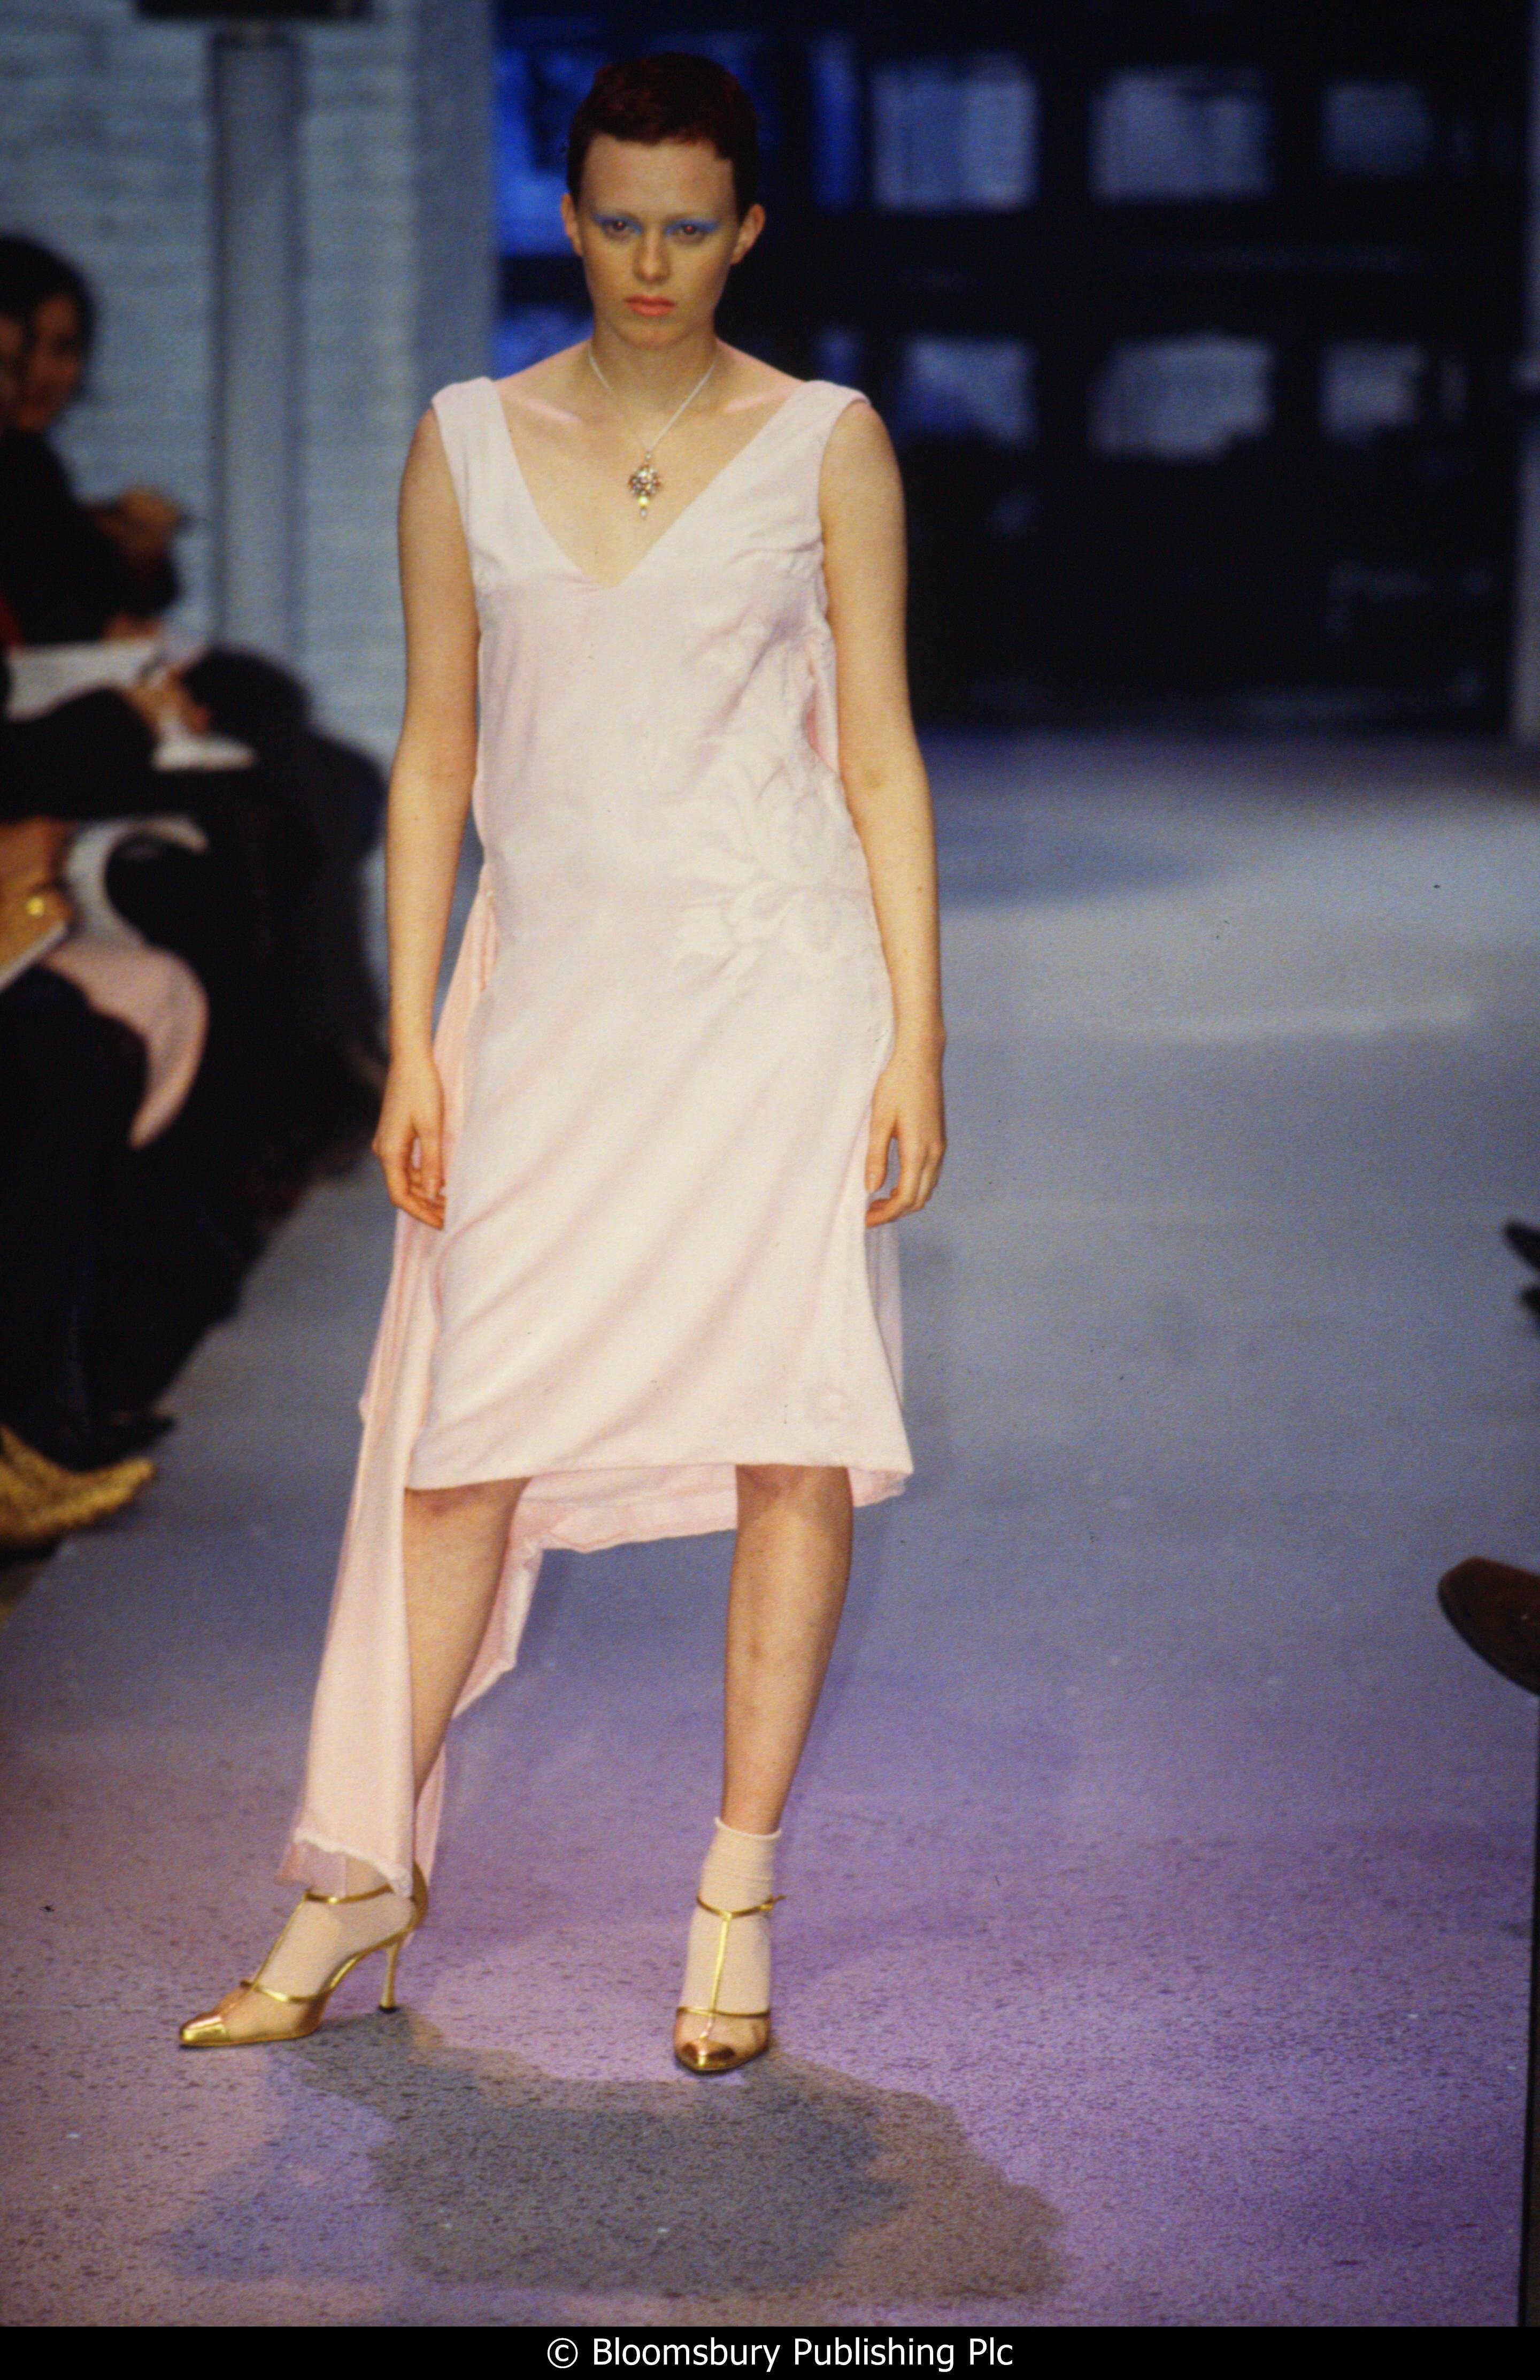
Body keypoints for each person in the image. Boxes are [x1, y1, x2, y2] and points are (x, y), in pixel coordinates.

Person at [180, 52, 946, 2076]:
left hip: (775, 999)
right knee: (464, 1444)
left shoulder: (829, 443)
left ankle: (737, 1894)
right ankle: (364, 1870)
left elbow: (879, 755)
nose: (650, 262)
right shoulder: (468, 439)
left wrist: (917, 1038)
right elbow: (434, 754)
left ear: (747, 228)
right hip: (546, 1007)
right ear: (573, 215)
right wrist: (408, 1044)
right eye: (616, 220)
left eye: (691, 225)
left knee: (789, 1429)